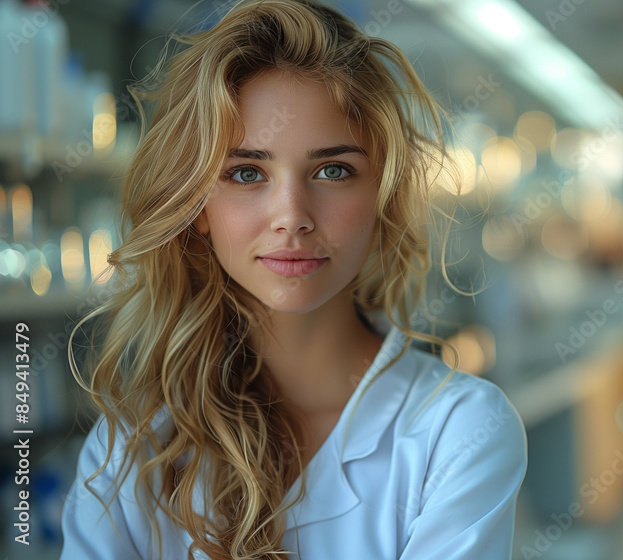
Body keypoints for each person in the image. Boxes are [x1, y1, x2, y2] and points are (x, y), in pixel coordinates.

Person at [59, 1, 527, 558]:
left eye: (332, 171)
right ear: (197, 207)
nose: (292, 215)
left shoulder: (459, 432)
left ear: (381, 196)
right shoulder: (128, 454)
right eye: (246, 173)